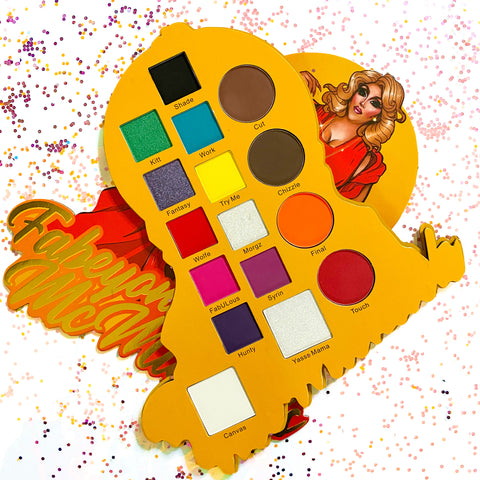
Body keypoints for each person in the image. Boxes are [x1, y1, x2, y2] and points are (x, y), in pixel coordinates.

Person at [301, 69, 406, 202]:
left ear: (380, 115)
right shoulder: (313, 110)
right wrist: (293, 81)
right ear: (353, 92)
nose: (363, 103)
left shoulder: (368, 163)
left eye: (374, 103)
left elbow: (347, 209)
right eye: (363, 92)